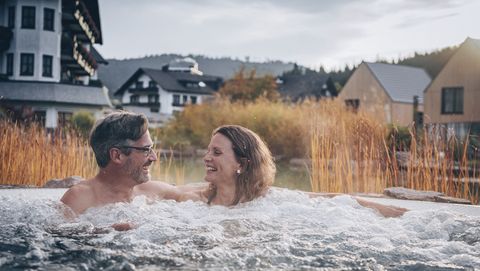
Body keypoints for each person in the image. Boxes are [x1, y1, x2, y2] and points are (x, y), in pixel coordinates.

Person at [144, 125, 407, 217]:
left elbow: (330, 200)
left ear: (243, 164)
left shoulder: (267, 199)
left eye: (217, 152)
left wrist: (384, 209)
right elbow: (156, 190)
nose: (206, 157)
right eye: (208, 150)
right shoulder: (194, 200)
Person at [61, 111, 173, 217]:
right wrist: (105, 230)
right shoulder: (80, 197)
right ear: (117, 156)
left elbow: (186, 192)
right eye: (146, 149)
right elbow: (58, 231)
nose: (154, 157)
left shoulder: (150, 191)